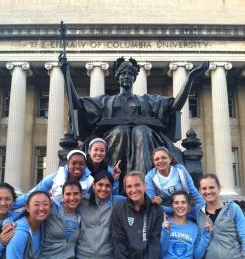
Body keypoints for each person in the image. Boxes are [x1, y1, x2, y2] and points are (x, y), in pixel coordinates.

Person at [60, 55, 208, 173]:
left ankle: (143, 183)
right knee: (121, 131)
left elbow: (175, 106)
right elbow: (78, 105)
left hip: (145, 139)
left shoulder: (146, 101)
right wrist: (67, 75)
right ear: (117, 77)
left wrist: (190, 78)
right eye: (123, 73)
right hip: (114, 139)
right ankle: (113, 179)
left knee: (141, 131)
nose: (126, 76)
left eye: (130, 74)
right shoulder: (105, 101)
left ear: (134, 78)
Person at [145, 147, 204, 213]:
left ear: (170, 159)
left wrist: (204, 207)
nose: (160, 161)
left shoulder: (180, 169)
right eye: (157, 159)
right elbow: (151, 203)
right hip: (165, 214)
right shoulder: (149, 177)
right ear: (153, 162)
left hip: (186, 210)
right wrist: (157, 202)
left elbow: (193, 191)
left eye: (164, 158)